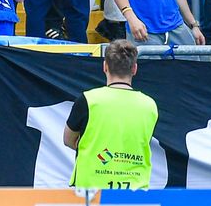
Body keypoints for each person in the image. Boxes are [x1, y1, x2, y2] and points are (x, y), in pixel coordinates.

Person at [63, 39, 158, 189]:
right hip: (135, 191)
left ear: (105, 66)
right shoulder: (149, 105)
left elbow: (68, 140)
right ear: (134, 69)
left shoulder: (88, 99)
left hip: (91, 190)